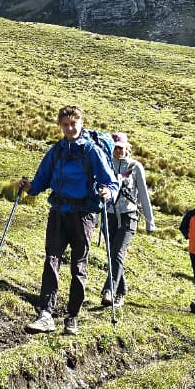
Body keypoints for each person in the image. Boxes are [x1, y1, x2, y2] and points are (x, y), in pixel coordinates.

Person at [19, 106, 119, 335]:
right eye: (65, 125)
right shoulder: (57, 151)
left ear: (81, 123)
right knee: (51, 259)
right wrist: (29, 187)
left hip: (84, 215)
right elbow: (41, 180)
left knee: (78, 265)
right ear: (60, 126)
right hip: (59, 211)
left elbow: (111, 182)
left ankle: (72, 317)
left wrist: (108, 193)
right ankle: (46, 314)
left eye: (73, 124)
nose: (70, 128)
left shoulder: (92, 151)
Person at [100, 132, 156, 308]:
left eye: (120, 148)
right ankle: (121, 292)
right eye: (115, 147)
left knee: (117, 253)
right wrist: (94, 217)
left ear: (126, 148)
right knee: (113, 256)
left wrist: (150, 221)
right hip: (108, 215)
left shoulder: (135, 167)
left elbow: (144, 196)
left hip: (129, 216)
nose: (117, 151)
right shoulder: (105, 164)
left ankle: (109, 290)